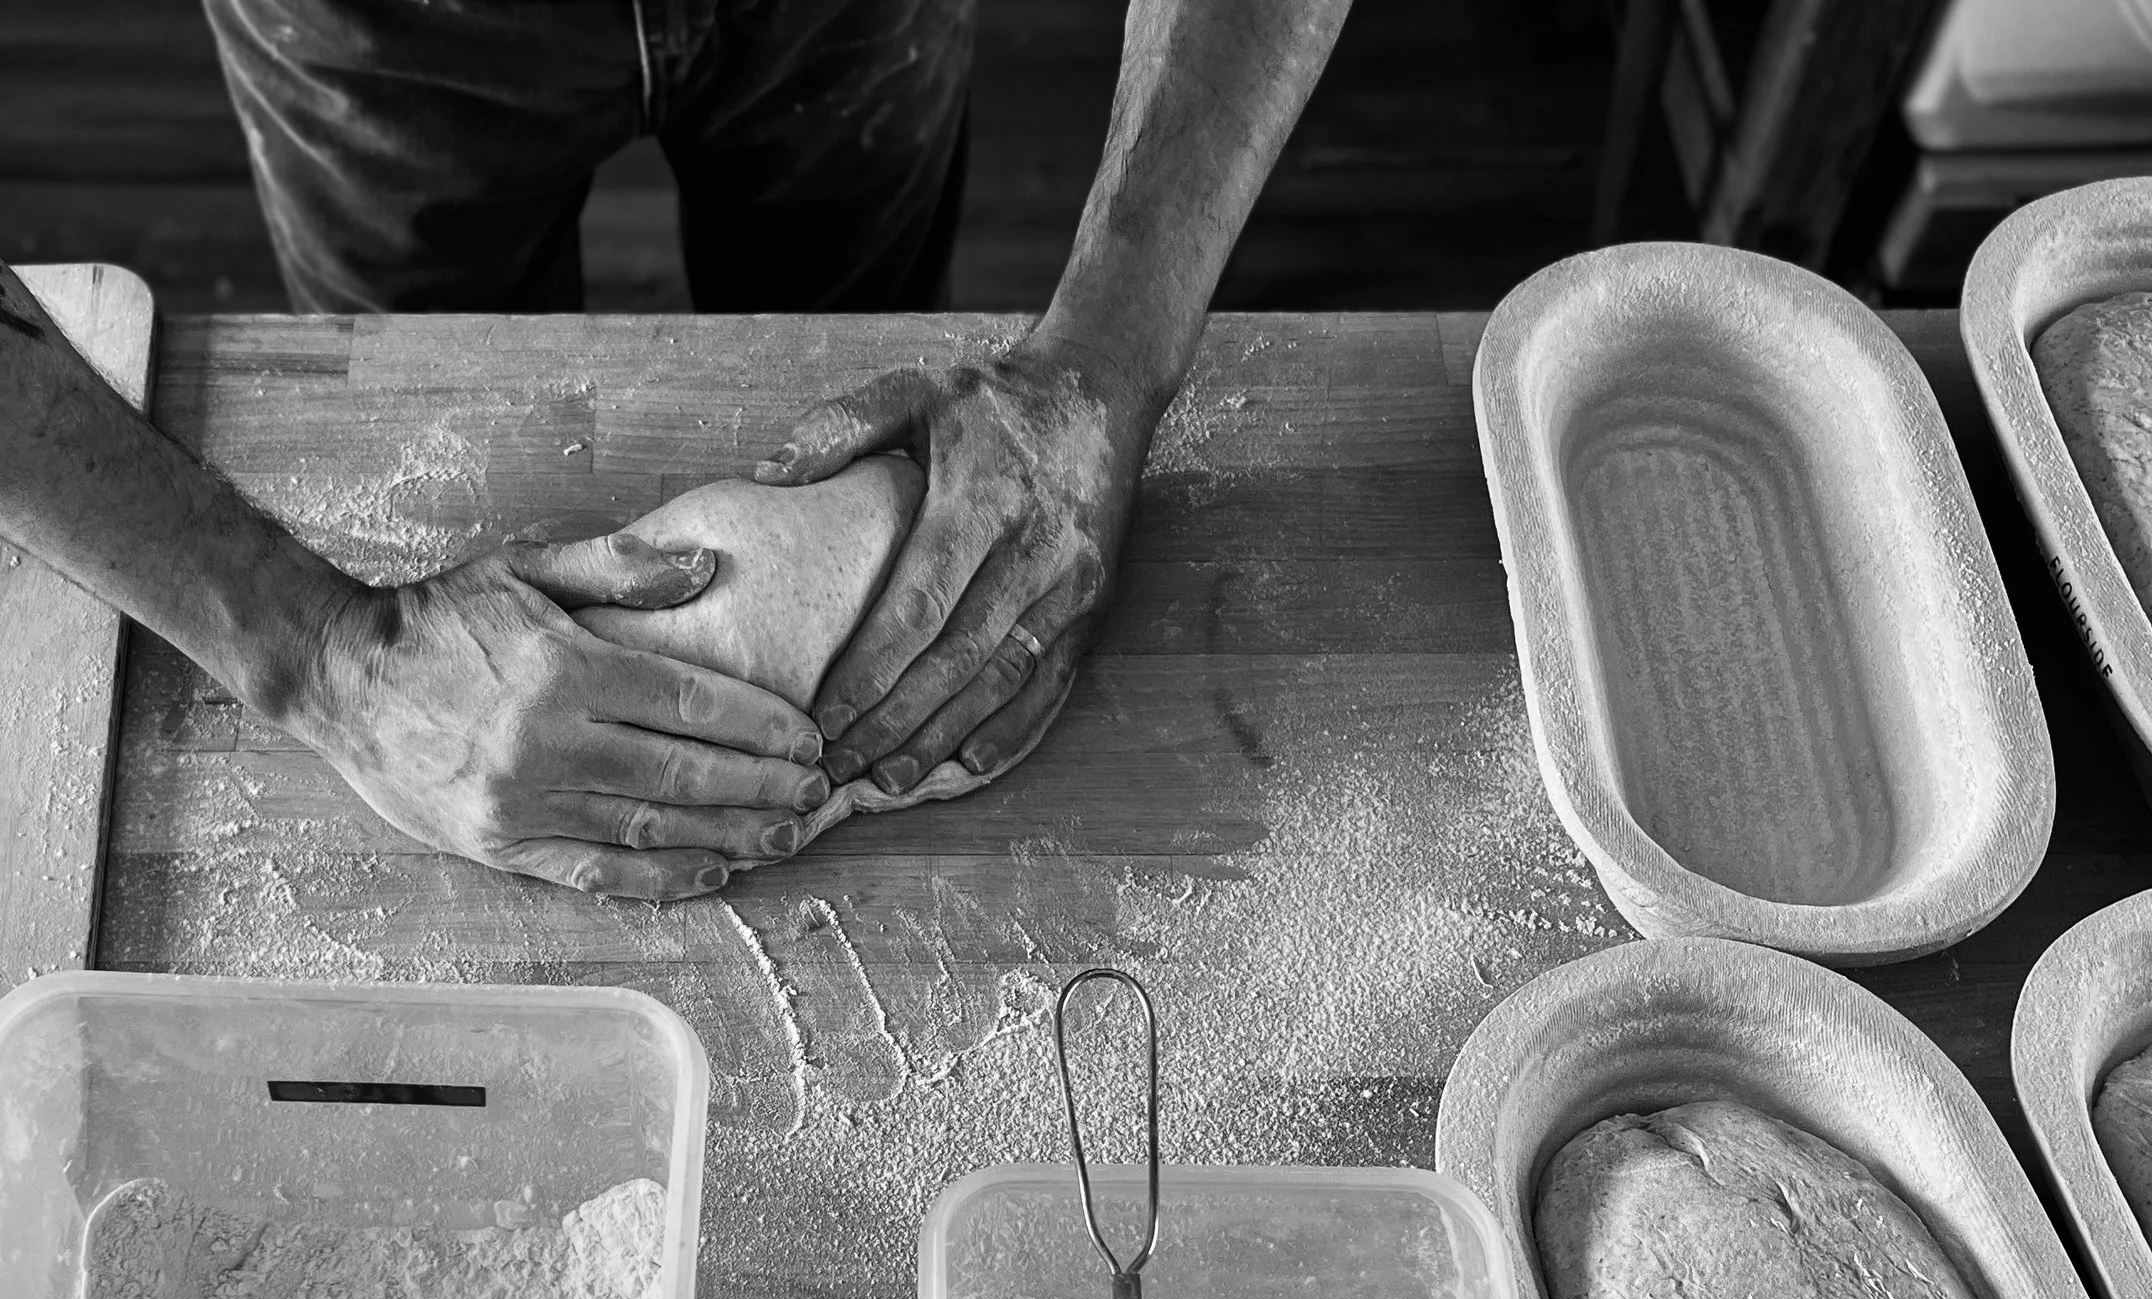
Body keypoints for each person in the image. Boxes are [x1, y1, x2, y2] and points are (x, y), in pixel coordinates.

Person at [0, 0, 1352, 898]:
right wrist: (311, 651)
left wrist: (1104, 364)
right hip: (380, 36)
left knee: (852, 331)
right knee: (438, 384)